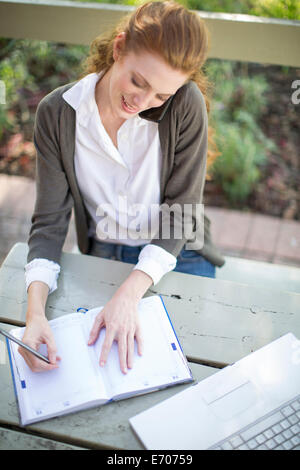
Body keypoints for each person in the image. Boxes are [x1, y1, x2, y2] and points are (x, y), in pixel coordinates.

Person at [20, 1, 225, 375]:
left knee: (189, 372)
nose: (143, 103)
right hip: (104, 252)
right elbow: (49, 223)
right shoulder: (57, 114)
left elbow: (182, 215)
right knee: (95, 370)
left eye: (161, 96)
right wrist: (34, 316)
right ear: (118, 49)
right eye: (138, 82)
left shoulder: (186, 104)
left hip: (179, 255)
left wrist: (129, 295)